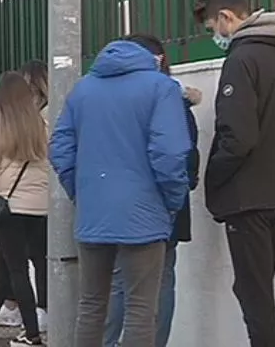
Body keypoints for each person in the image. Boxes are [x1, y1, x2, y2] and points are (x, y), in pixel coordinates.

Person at [48, 37, 191, 347]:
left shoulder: (82, 89)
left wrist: (80, 192)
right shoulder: (160, 88)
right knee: (141, 309)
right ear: (153, 58)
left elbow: (60, 149)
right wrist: (171, 201)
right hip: (145, 211)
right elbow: (170, 153)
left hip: (93, 211)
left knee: (92, 304)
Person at [193, 0, 275, 347]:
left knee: (253, 293)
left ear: (227, 18)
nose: (215, 35)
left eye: (213, 26)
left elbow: (237, 136)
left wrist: (213, 177)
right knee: (254, 287)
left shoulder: (242, 61)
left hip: (249, 197)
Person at [103, 34, 202, 347]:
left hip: (119, 204)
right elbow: (181, 157)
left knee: (118, 281)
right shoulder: (171, 99)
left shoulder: (109, 98)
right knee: (159, 282)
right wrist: (175, 199)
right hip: (162, 206)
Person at [0, 72, 50, 346]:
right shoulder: (41, 126)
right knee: (4, 265)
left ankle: (31, 334)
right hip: (37, 208)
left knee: (15, 269)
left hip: (7, 208)